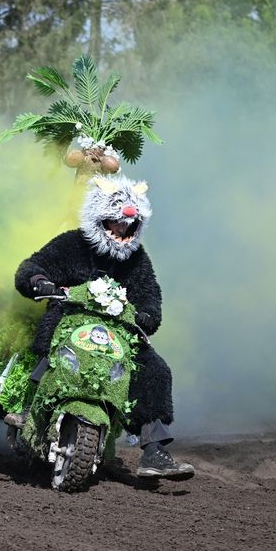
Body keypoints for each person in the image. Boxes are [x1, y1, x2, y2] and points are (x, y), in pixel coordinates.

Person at [13, 175, 194, 480]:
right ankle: (29, 407)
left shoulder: (137, 260)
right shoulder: (72, 244)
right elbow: (30, 268)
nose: (123, 229)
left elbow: (151, 299)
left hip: (119, 335)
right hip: (68, 322)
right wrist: (40, 283)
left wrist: (146, 316)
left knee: (156, 370)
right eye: (116, 222)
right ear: (100, 218)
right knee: (49, 348)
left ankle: (154, 453)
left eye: (129, 225)